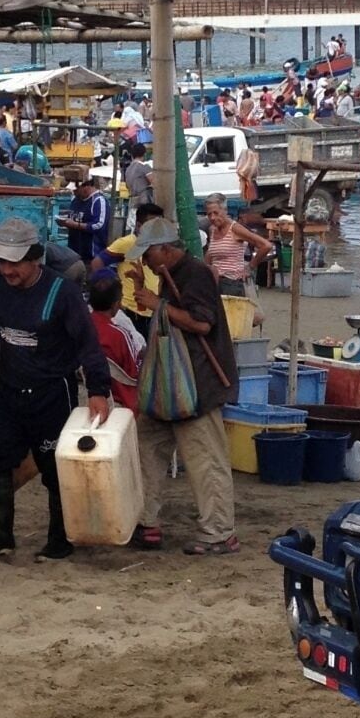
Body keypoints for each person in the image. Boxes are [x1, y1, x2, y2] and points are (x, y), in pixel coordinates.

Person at [0, 214, 111, 562]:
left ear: (35, 260)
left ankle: (59, 540)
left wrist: (98, 391)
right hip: (10, 388)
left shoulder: (64, 293)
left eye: (15, 264)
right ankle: (0, 535)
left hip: (51, 393)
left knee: (55, 468)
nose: (7, 271)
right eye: (1, 262)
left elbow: (88, 344)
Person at [127, 216, 239, 555]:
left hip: (198, 382)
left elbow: (202, 324)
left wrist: (157, 303)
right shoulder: (168, 274)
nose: (145, 259)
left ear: (164, 249)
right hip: (168, 382)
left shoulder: (196, 273)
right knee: (146, 449)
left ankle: (219, 533)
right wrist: (145, 293)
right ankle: (148, 522)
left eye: (148, 253)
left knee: (206, 461)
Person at [87, 269, 145, 413]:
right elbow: (134, 370)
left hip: (97, 390)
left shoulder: (83, 327)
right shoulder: (119, 334)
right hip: (124, 395)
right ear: (115, 304)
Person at [203, 193, 271, 296]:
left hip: (232, 284)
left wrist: (249, 268)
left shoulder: (235, 229)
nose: (212, 217)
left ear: (225, 211)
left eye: (216, 213)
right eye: (209, 214)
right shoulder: (212, 229)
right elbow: (210, 253)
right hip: (215, 283)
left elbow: (266, 245)